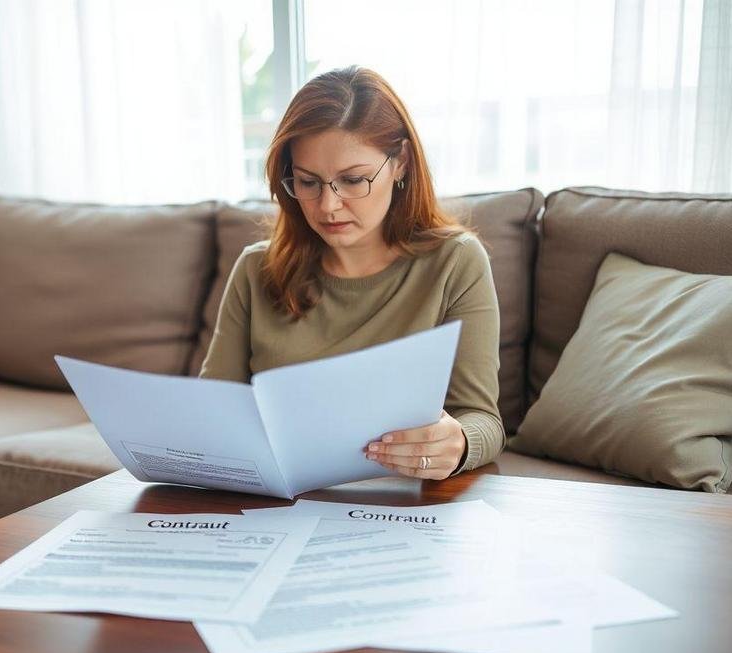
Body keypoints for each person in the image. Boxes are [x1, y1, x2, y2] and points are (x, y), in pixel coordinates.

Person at [199, 65, 504, 479]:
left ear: (401, 163)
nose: (328, 205)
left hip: (398, 506)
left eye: (353, 180)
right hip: (278, 500)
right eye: (308, 183)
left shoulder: (455, 262)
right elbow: (210, 414)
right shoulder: (257, 268)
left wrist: (459, 442)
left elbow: (482, 419)